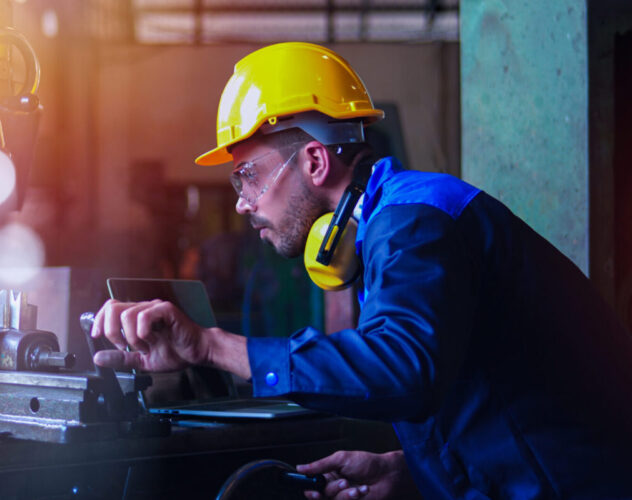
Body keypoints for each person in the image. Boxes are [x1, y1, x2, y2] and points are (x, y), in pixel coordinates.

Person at [89, 42, 632, 499]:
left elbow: (406, 369)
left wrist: (211, 346)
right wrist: (408, 472)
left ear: (316, 162)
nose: (241, 203)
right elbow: (478, 392)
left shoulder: (413, 222)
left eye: (247, 176)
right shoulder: (388, 226)